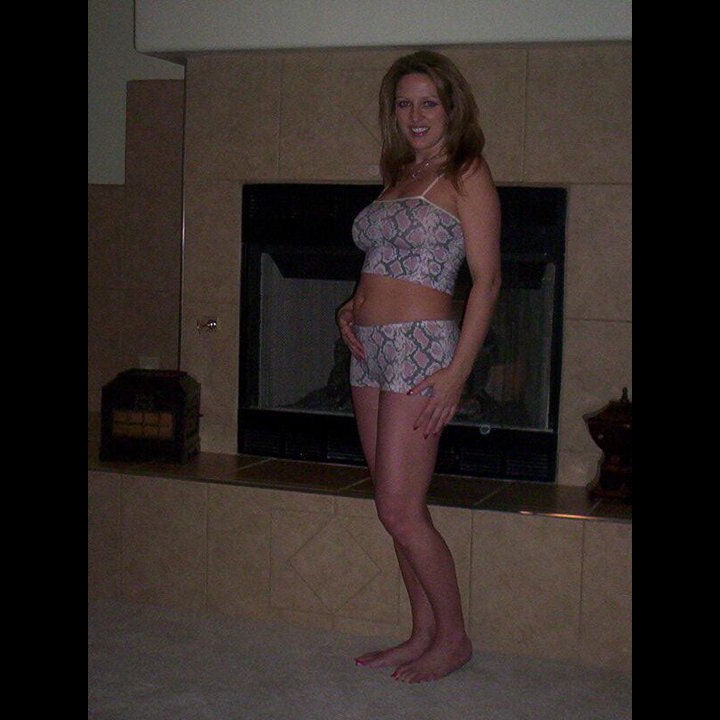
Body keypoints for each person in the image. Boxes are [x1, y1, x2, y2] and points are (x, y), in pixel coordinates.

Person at [336, 50, 501, 683]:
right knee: (395, 508)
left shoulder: (467, 171)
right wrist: (352, 306)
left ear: (451, 107)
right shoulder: (401, 172)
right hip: (369, 352)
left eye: (428, 102)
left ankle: (453, 638)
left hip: (420, 348)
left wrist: (458, 373)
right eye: (404, 103)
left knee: (399, 510)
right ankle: (422, 633)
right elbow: (384, 262)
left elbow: (486, 281)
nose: (415, 115)